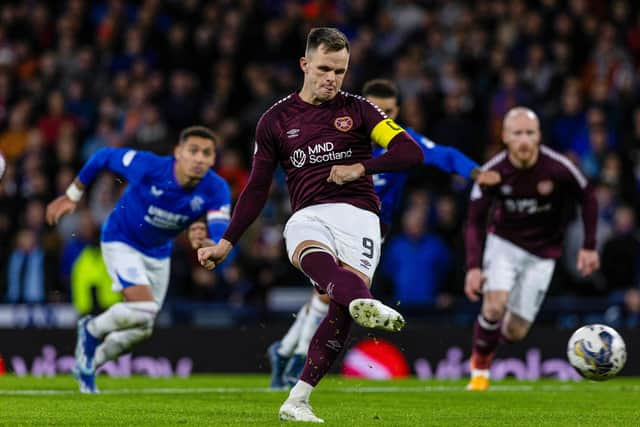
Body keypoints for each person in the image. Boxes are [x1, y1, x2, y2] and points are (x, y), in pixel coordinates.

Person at [197, 28, 424, 423]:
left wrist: (361, 166)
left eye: (339, 71)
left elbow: (410, 151)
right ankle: (361, 299)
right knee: (308, 247)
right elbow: (256, 189)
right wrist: (226, 242)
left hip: (361, 217)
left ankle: (297, 400)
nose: (331, 78)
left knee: (340, 308)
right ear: (305, 64)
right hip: (310, 214)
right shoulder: (275, 120)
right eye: (323, 69)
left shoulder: (361, 110)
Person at [268, 78, 501, 389]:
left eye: (390, 111)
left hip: (373, 230)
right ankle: (294, 359)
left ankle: (284, 351)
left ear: (398, 111)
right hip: (332, 219)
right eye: (378, 109)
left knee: (327, 294)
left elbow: (445, 156)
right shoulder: (340, 136)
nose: (384, 116)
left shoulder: (402, 142)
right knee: (329, 293)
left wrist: (476, 173)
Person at [46, 126, 231, 393]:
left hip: (158, 252)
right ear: (178, 152)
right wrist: (72, 195)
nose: (199, 158)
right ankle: (91, 330)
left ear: (213, 159)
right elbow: (103, 156)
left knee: (143, 328)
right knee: (145, 309)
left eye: (206, 153)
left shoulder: (216, 188)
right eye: (193, 151)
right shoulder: (150, 167)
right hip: (121, 239)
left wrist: (208, 244)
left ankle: (88, 364)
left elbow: (218, 227)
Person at [464, 107, 599, 391]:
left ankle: (487, 343)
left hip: (543, 254)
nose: (524, 140)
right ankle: (480, 365)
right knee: (494, 305)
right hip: (504, 244)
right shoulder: (493, 172)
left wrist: (588, 246)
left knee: (515, 332)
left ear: (539, 136)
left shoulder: (558, 167)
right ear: (505, 137)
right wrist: (474, 267)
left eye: (530, 133)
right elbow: (474, 221)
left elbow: (588, 195)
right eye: (517, 133)